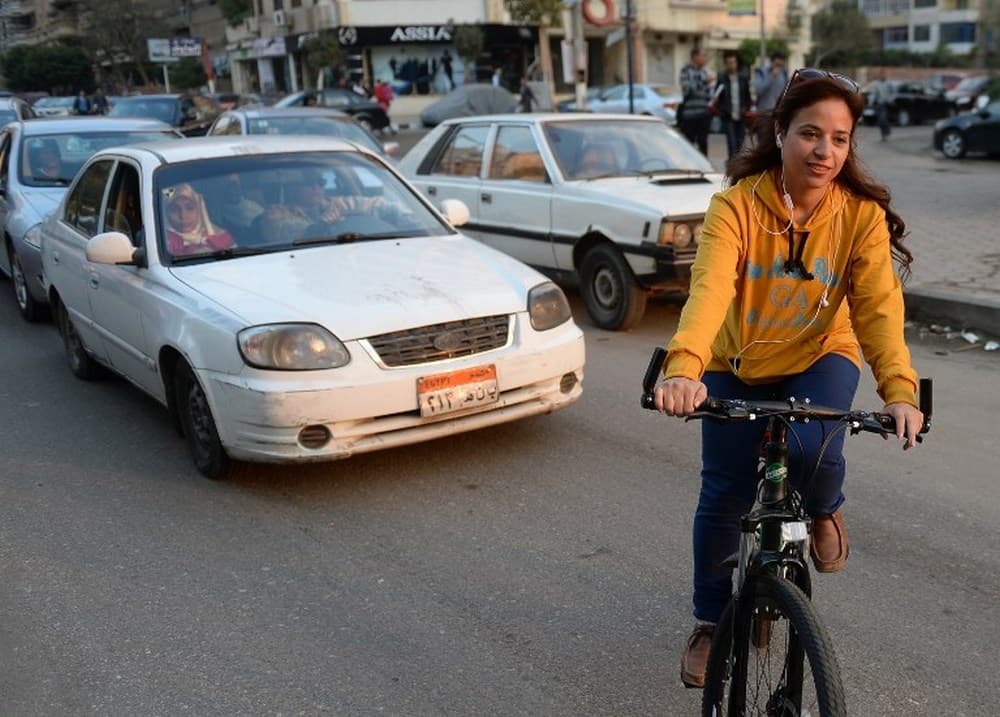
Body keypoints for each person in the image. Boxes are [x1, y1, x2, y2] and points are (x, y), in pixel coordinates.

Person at [652, 69, 924, 689]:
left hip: (820, 352)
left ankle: (826, 510)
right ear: (780, 133)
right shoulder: (735, 207)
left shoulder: (860, 217)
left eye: (839, 138)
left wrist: (900, 393)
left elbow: (880, 308)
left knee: (815, 447)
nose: (824, 151)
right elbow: (710, 290)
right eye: (809, 133)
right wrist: (683, 368)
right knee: (722, 492)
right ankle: (709, 621)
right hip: (735, 360)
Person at [164, 183, 235, 257]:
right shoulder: (161, 243)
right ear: (165, 213)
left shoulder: (221, 236)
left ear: (200, 210)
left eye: (190, 208)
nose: (183, 216)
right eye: (175, 210)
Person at [712, 50, 753, 160]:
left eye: (733, 62)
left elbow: (747, 97)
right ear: (726, 64)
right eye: (729, 63)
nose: (731, 65)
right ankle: (732, 168)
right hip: (728, 117)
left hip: (741, 117)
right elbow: (717, 96)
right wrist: (722, 110)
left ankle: (738, 167)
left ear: (736, 63)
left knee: (740, 144)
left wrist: (746, 108)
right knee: (731, 144)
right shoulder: (722, 79)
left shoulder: (743, 78)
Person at [678, 47, 713, 156]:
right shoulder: (686, 71)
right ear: (695, 57)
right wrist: (703, 81)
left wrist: (712, 95)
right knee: (689, 145)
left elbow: (706, 93)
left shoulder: (704, 72)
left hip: (703, 114)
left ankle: (705, 168)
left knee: (703, 143)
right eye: (703, 56)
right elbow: (687, 89)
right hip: (690, 115)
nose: (705, 58)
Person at [870, 72, 893, 141]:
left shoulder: (889, 84)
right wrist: (871, 101)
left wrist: (891, 100)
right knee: (880, 121)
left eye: (884, 75)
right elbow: (873, 94)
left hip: (886, 104)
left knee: (883, 119)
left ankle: (887, 131)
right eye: (881, 75)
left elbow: (892, 93)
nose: (883, 77)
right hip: (879, 105)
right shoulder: (876, 84)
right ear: (879, 76)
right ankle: (883, 135)